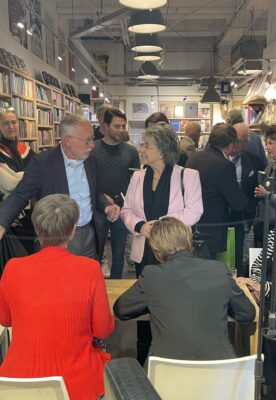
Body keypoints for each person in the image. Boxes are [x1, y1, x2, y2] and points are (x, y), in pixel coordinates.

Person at [0, 194, 114, 400]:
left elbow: (5, 319)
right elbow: (103, 329)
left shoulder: (13, 268)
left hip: (18, 384)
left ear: (36, 229)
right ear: (72, 231)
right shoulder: (89, 269)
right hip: (76, 385)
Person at [114, 217, 255, 365]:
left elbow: (121, 309)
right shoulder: (218, 270)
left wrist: (153, 304)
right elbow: (247, 313)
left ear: (156, 248)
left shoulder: (152, 275)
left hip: (166, 377)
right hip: (219, 376)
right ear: (188, 239)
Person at [121, 123, 203, 365]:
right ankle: (143, 353)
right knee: (145, 302)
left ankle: (172, 355)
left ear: (163, 149)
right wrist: (140, 226)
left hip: (174, 252)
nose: (142, 149)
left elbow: (195, 210)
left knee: (174, 304)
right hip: (144, 249)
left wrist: (164, 226)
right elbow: (127, 209)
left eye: (147, 146)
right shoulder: (137, 176)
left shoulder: (188, 175)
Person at [0, 114, 120, 259]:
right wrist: (2, 222)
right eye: (87, 140)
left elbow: (96, 192)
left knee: (87, 276)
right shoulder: (42, 163)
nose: (93, 145)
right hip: (57, 239)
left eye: (92, 139)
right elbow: (20, 195)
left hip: (90, 235)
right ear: (68, 140)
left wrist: (106, 205)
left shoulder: (91, 161)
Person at [237, 198, 276, 400]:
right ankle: (250, 380)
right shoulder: (275, 235)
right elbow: (259, 265)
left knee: (274, 331)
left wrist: (263, 288)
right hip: (263, 298)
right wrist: (254, 285)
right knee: (245, 317)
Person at [186, 123, 249, 259]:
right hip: (212, 230)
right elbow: (238, 202)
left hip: (191, 226)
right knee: (209, 272)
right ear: (230, 145)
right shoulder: (224, 166)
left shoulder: (193, 158)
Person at [92, 108, 140, 278]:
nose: (121, 130)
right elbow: (89, 180)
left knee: (119, 254)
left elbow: (135, 181)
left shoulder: (131, 151)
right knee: (95, 254)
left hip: (123, 208)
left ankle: (116, 288)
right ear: (105, 126)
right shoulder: (93, 150)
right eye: (116, 126)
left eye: (123, 126)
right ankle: (96, 288)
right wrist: (102, 198)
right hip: (98, 208)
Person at [0, 108, 35, 271]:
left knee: (30, 259)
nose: (11, 126)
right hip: (7, 219)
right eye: (5, 123)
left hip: (29, 216)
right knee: (11, 265)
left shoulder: (26, 151)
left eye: (13, 122)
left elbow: (37, 177)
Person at [229, 122, 265, 276]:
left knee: (245, 256)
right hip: (222, 218)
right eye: (238, 141)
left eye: (244, 142)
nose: (241, 145)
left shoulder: (253, 160)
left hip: (246, 218)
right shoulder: (217, 159)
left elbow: (260, 181)